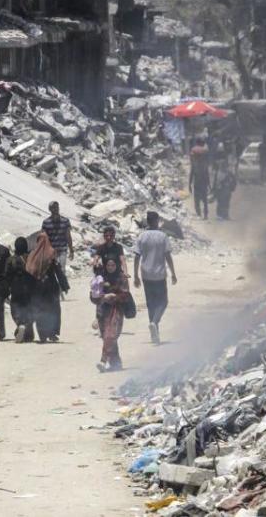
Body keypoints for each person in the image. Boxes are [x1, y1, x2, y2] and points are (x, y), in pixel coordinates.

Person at [133, 211, 178, 344]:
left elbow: (136, 256)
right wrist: (173, 273)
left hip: (146, 275)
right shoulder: (163, 236)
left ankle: (154, 334)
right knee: (163, 302)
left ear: (147, 221)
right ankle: (154, 322)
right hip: (159, 275)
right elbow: (168, 256)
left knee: (151, 304)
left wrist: (135, 276)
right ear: (157, 221)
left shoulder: (142, 237)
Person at [28, 232, 70, 343]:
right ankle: (52, 333)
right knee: (53, 311)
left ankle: (42, 334)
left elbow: (29, 271)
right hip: (51, 287)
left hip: (37, 288)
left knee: (40, 310)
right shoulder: (51, 253)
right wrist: (64, 285)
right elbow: (58, 271)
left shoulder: (32, 254)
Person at [93, 259, 131, 372]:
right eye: (108, 265)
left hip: (116, 310)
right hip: (102, 311)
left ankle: (103, 361)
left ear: (117, 265)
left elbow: (125, 295)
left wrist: (114, 297)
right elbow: (93, 296)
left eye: (113, 264)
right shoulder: (100, 278)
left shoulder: (122, 278)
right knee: (107, 336)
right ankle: (116, 362)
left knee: (110, 335)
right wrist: (103, 297)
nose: (110, 267)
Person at [6, 237, 36, 343]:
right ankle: (26, 329)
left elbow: (6, 276)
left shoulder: (10, 260)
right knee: (28, 310)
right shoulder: (30, 259)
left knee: (16, 310)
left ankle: (20, 325)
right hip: (28, 290)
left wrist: (6, 290)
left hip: (16, 289)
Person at [42, 201, 74, 269]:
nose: (56, 209)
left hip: (62, 250)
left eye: (57, 207)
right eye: (53, 207)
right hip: (50, 252)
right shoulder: (46, 222)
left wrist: (71, 250)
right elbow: (43, 238)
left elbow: (68, 236)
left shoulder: (65, 221)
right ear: (50, 209)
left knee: (61, 271)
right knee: (51, 272)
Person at [189, 138, 211, 220]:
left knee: (196, 199)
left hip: (197, 183)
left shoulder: (194, 164)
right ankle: (205, 215)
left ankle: (199, 214)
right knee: (204, 200)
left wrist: (189, 184)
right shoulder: (204, 165)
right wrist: (209, 185)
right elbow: (207, 175)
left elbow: (191, 174)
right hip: (204, 183)